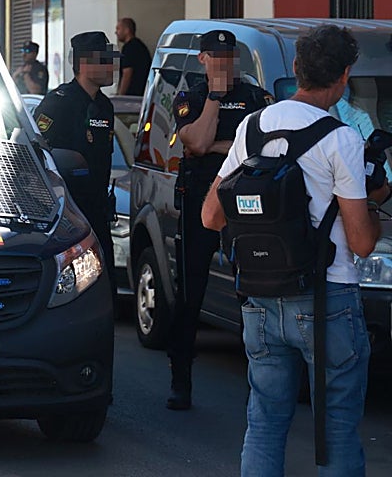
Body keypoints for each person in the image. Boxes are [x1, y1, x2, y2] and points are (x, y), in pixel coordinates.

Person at [202, 24, 388, 475]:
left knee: (264, 423)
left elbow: (210, 216)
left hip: (259, 297)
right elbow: (362, 243)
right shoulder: (341, 139)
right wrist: (373, 205)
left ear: (296, 67)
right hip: (328, 299)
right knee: (337, 429)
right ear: (345, 76)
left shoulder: (252, 128)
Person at [165, 29, 273, 411]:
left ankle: (259, 384)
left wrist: (215, 146)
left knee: (253, 294)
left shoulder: (255, 99)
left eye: (230, 57)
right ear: (203, 59)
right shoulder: (190, 97)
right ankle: (181, 379)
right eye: (217, 57)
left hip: (245, 206)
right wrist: (214, 97)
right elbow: (194, 142)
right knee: (190, 291)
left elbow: (263, 148)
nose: (225, 64)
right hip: (200, 202)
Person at [33, 31, 117, 258]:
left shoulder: (105, 106)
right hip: (69, 215)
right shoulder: (59, 102)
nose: (112, 66)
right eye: (105, 60)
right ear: (85, 64)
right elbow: (38, 154)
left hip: (98, 212)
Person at [116, 17, 151, 96]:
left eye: (118, 29)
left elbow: (127, 74)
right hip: (143, 94)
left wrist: (120, 95)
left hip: (132, 96)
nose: (116, 32)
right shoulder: (140, 46)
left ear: (126, 30)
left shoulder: (129, 48)